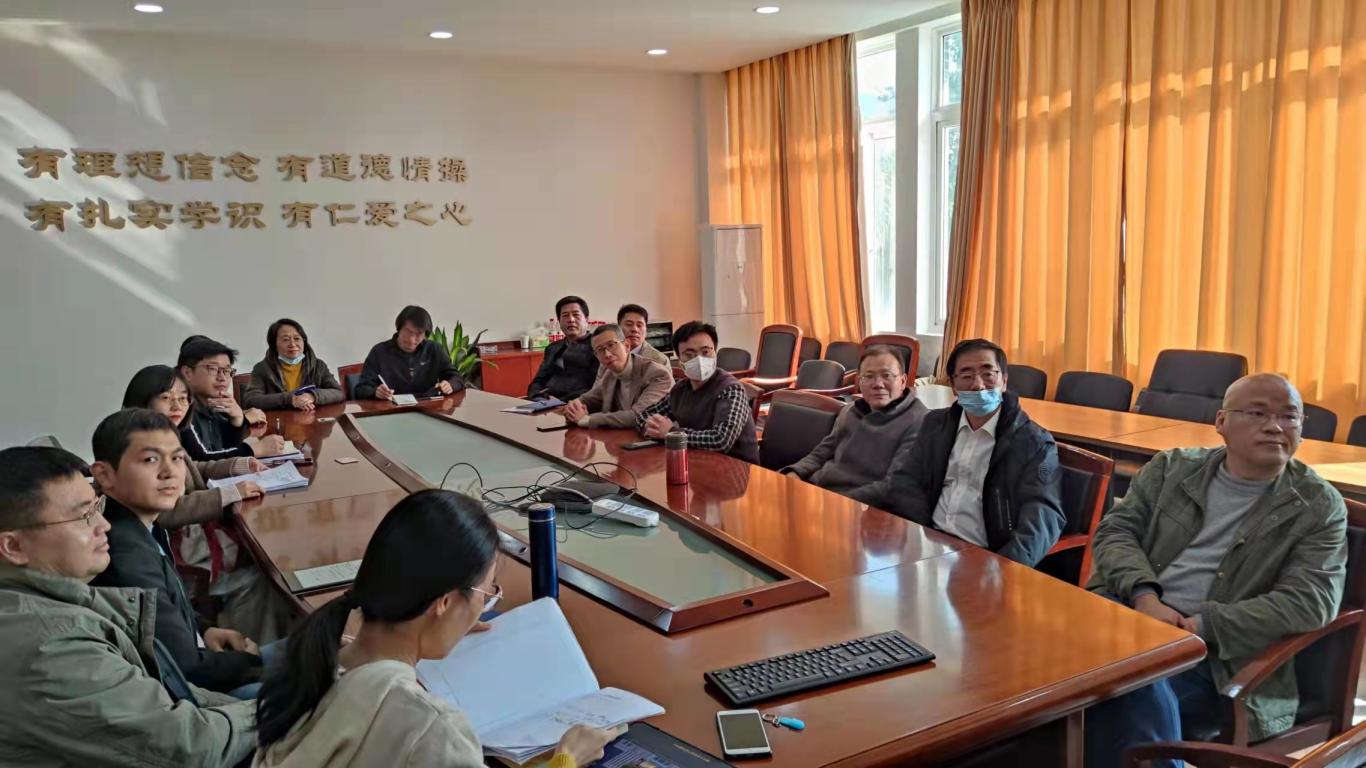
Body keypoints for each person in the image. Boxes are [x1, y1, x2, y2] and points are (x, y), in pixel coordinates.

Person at [1084, 374, 1348, 768]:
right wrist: (1145, 596)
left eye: (1289, 416)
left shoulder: (1318, 505)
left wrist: (1199, 626)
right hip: (1129, 613)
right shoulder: (1171, 468)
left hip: (1219, 657)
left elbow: (1311, 601)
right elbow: (1116, 531)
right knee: (1047, 672)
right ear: (1221, 421)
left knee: (1124, 685)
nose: (1275, 426)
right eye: (1257, 413)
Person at [254, 489, 622, 767]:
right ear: (444, 603)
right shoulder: (432, 727)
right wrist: (566, 759)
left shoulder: (317, 666)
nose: (484, 607)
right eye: (486, 593)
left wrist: (438, 630)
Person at [0, 446, 256, 767]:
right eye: (83, 516)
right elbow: (186, 746)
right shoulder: (48, 647)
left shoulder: (52, 600)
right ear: (13, 546)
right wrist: (278, 707)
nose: (103, 525)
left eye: (97, 507)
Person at [89, 409, 272, 696]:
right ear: (104, 475)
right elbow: (186, 669)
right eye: (150, 460)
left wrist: (204, 629)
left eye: (176, 458)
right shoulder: (124, 555)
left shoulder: (143, 524)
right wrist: (253, 662)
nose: (169, 472)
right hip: (198, 699)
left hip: (200, 659)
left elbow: (164, 609)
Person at [123, 365, 295, 643]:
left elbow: (195, 467)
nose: (177, 405)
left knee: (272, 557)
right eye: (166, 398)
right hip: (182, 549)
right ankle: (251, 650)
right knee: (265, 572)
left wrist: (240, 465)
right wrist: (228, 494)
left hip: (193, 536)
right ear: (143, 400)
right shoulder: (139, 444)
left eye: (183, 398)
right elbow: (165, 511)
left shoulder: (164, 432)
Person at [887, 338, 1064, 566]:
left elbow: (1043, 515)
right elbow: (905, 479)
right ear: (953, 385)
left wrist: (1004, 568)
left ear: (1004, 381)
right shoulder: (935, 425)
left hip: (986, 558)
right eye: (966, 376)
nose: (978, 385)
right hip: (929, 545)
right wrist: (924, 534)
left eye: (988, 374)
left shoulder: (1033, 443)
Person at [781, 345, 929, 507]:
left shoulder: (919, 421)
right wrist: (795, 471)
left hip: (860, 506)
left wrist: (835, 503)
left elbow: (892, 486)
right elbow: (821, 453)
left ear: (902, 381)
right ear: (860, 382)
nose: (878, 384)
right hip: (819, 492)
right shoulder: (850, 410)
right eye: (869, 376)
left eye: (886, 375)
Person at [635, 321, 758, 463]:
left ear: (715, 353)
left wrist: (671, 433)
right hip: (697, 462)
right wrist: (654, 429)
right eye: (689, 354)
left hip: (737, 467)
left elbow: (721, 440)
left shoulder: (731, 389)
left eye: (706, 352)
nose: (699, 359)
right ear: (680, 361)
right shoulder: (680, 389)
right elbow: (643, 416)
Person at [179, 336, 286, 460]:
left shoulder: (212, 404)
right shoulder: (180, 407)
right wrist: (255, 449)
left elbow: (225, 448)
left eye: (227, 370)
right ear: (187, 373)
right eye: (213, 369)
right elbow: (200, 460)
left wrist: (238, 420)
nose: (222, 377)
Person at [562, 324, 672, 429]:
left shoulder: (658, 374)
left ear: (627, 346)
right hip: (617, 437)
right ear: (596, 356)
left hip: (651, 438)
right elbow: (590, 399)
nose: (607, 354)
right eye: (600, 350)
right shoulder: (608, 372)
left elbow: (639, 416)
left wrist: (587, 420)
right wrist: (575, 406)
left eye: (611, 345)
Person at [353, 305, 464, 400]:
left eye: (419, 333)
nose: (411, 339)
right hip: (391, 409)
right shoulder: (379, 352)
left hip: (428, 407)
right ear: (399, 328)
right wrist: (375, 392)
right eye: (408, 331)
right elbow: (361, 389)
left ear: (425, 334)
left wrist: (450, 385)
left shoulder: (434, 350)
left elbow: (457, 378)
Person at [242, 318, 345, 411]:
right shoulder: (262, 368)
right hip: (279, 422)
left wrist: (313, 396)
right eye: (285, 339)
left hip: (312, 419)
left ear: (304, 341)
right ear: (274, 344)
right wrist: (290, 400)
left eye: (297, 338)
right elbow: (251, 400)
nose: (292, 344)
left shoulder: (318, 365)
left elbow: (338, 392)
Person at [528, 295, 599, 401]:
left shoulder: (598, 346)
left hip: (579, 404)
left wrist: (561, 402)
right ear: (559, 321)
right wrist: (537, 397)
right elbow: (538, 381)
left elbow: (596, 386)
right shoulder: (552, 348)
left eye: (576, 315)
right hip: (547, 403)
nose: (571, 320)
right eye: (565, 315)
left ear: (586, 319)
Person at [615, 303, 671, 369]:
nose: (635, 329)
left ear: (646, 330)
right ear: (618, 328)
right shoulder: (608, 354)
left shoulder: (659, 361)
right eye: (629, 324)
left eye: (639, 325)